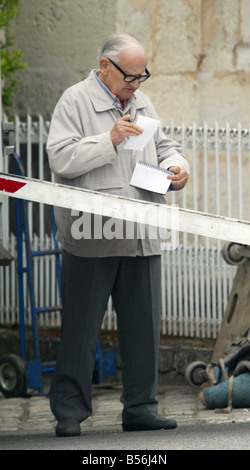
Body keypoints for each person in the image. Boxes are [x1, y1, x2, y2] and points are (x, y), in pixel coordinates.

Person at [46, 33, 190, 437]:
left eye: (143, 75)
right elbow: (60, 157)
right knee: (81, 328)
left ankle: (141, 408)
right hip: (92, 235)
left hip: (142, 232)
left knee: (143, 330)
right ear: (105, 65)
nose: (137, 84)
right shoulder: (75, 100)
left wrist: (178, 166)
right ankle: (70, 412)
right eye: (130, 75)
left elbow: (165, 146)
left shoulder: (141, 101)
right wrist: (108, 139)